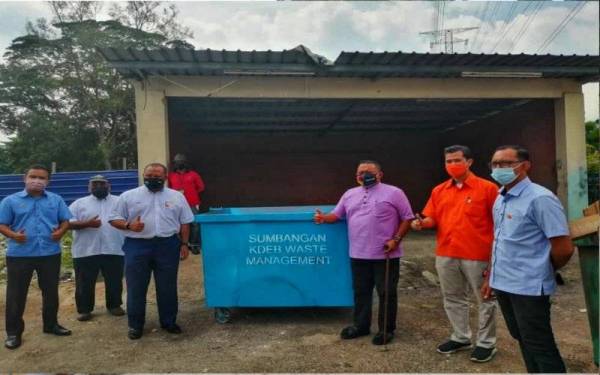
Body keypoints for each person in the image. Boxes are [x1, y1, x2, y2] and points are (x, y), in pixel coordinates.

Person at [481, 145, 574, 373]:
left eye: (506, 163)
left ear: (525, 166)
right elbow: (499, 241)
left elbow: (563, 247)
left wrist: (542, 268)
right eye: (495, 164)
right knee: (520, 337)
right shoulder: (500, 198)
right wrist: (491, 276)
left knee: (539, 343)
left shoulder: (541, 199)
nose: (499, 168)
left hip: (529, 287)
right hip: (503, 283)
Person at [411, 145, 499, 363]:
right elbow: (432, 218)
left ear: (469, 162)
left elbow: (499, 223)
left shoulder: (488, 189)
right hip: (446, 252)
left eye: (456, 160)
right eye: (448, 161)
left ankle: (486, 343)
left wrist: (496, 257)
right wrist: (422, 223)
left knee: (485, 299)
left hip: (477, 254)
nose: (452, 165)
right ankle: (461, 337)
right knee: (452, 297)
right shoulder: (439, 190)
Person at [314, 160, 413, 345]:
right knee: (361, 292)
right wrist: (322, 218)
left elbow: (407, 218)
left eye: (369, 171)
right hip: (358, 253)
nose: (364, 174)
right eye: (361, 172)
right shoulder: (349, 194)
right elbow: (336, 215)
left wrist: (396, 239)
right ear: (356, 176)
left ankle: (386, 330)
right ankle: (360, 326)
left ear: (380, 174)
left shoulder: (394, 193)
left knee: (386, 292)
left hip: (385, 254)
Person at [109, 163, 194, 340]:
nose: (152, 178)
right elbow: (113, 218)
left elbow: (185, 222)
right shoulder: (128, 196)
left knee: (167, 286)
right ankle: (135, 325)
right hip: (137, 246)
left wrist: (184, 244)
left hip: (168, 245)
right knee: (136, 287)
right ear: (143, 175)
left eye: (157, 175)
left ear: (165, 177)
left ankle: (169, 321)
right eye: (149, 175)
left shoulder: (177, 196)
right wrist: (128, 225)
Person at [0, 164, 72, 349]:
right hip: (19, 254)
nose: (37, 181)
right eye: (33, 176)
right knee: (16, 294)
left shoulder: (56, 200)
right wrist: (13, 235)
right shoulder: (10, 201)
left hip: (49, 253)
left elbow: (65, 220)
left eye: (42, 178)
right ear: (24, 178)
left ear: (48, 181)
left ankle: (51, 325)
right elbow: (2, 224)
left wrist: (61, 232)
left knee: (50, 292)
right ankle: (14, 333)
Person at [69, 175, 126, 322]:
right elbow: (67, 223)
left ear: (109, 186)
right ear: (89, 187)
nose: (98, 187)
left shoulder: (120, 201)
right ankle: (84, 310)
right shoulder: (79, 203)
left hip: (114, 247)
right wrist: (87, 224)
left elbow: (129, 220)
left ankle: (114, 305)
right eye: (95, 184)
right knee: (84, 282)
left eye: (102, 184)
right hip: (86, 250)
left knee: (114, 279)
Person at [167, 153, 205, 253]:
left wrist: (191, 193)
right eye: (177, 162)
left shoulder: (193, 174)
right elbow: (169, 189)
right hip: (176, 203)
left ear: (186, 163)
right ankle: (182, 246)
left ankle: (194, 245)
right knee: (178, 224)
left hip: (192, 202)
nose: (180, 163)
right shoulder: (171, 176)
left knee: (195, 224)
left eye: (182, 162)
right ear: (174, 164)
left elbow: (201, 187)